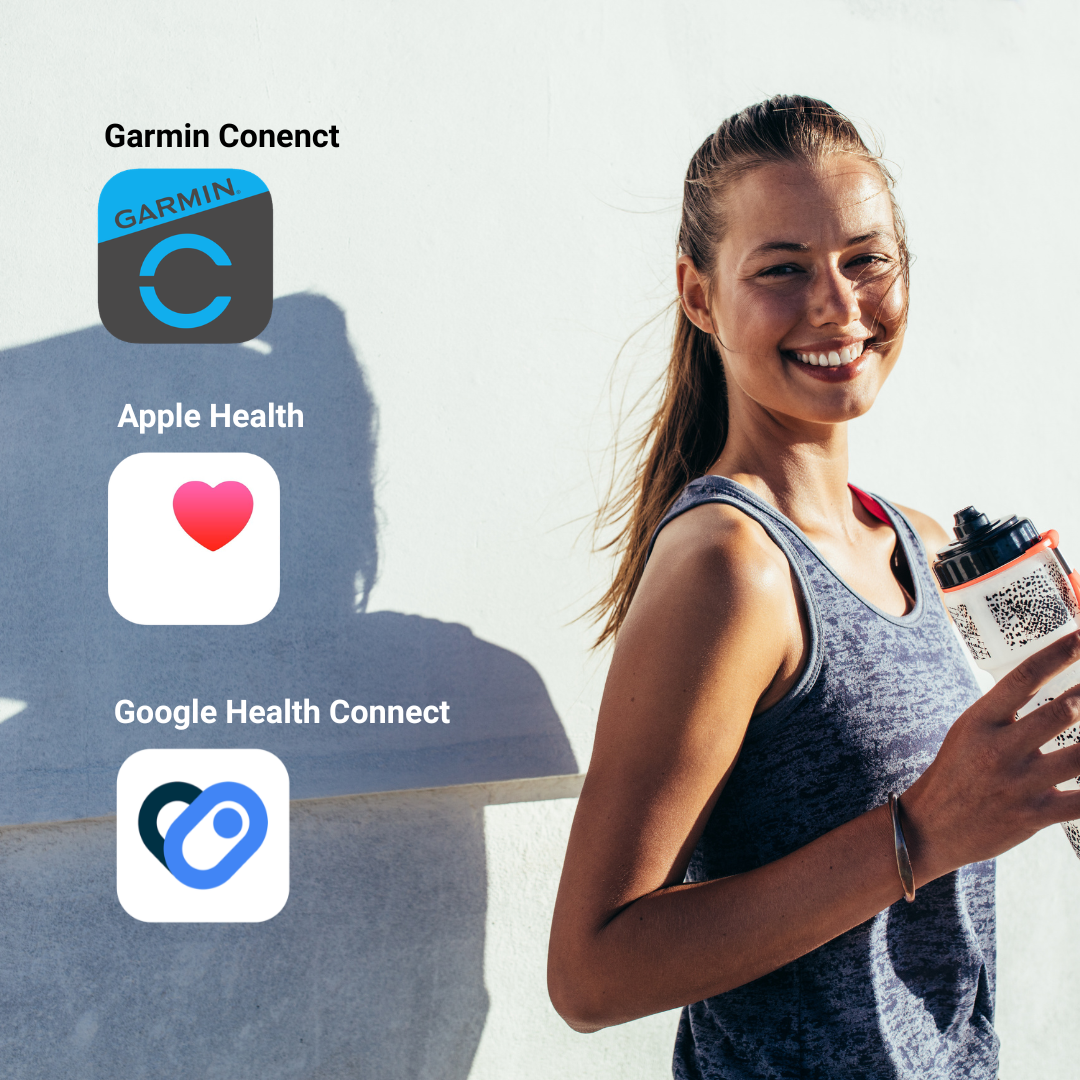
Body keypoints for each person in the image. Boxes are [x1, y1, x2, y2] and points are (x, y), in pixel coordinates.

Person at [547, 95, 1080, 1079]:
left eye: (866, 260)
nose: (837, 305)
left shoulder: (922, 545)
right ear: (700, 296)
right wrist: (922, 830)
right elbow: (591, 973)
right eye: (783, 270)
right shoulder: (731, 565)